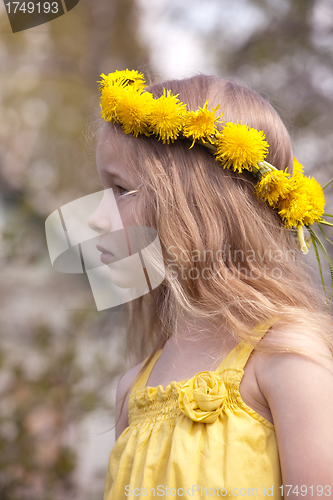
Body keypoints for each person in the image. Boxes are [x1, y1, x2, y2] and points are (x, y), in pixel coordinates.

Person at [88, 70, 333, 499]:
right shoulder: (133, 389)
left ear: (201, 205)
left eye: (121, 189)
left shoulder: (287, 360)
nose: (95, 217)